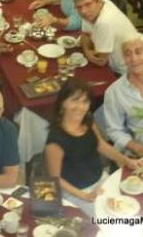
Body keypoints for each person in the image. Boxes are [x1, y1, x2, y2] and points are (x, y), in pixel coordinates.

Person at [45, 78, 142, 217]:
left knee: (129, 211)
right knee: (104, 222)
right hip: (75, 192)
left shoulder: (87, 120)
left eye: (85, 101)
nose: (80, 107)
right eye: (75, 100)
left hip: (101, 180)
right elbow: (54, 178)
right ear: (62, 103)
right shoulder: (55, 139)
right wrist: (85, 196)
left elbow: (100, 144)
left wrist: (126, 160)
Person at [75, 0, 137, 74]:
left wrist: (87, 53)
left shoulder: (104, 23)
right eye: (79, 7)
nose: (83, 11)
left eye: (88, 4)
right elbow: (85, 33)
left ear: (98, 1)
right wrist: (87, 51)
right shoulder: (101, 4)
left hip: (128, 71)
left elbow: (100, 61)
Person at [104, 35, 143, 157]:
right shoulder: (114, 92)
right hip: (138, 153)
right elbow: (114, 130)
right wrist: (136, 147)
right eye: (127, 54)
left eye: (138, 52)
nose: (134, 58)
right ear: (123, 59)